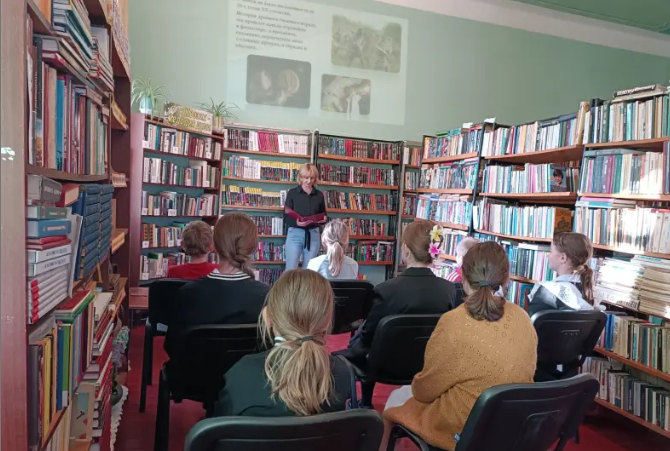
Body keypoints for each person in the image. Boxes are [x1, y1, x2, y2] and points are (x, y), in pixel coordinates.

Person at [381, 242, 538, 451]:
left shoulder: (453, 321)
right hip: (512, 426)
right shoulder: (523, 317)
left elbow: (425, 391)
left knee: (394, 400)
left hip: (463, 429)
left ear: (463, 275)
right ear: (506, 278)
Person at [335, 220, 458, 406]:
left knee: (350, 347)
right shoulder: (449, 290)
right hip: (428, 365)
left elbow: (368, 338)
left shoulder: (386, 290)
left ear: (406, 249)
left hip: (382, 366)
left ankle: (364, 402)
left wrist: (350, 349)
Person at [214, 269, 352, 416]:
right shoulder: (343, 373)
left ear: (268, 317)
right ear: (327, 321)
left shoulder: (241, 374)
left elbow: (218, 426)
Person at [164, 213, 269, 357]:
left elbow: (171, 346)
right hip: (246, 371)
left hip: (195, 370)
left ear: (214, 245)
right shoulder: (267, 296)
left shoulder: (188, 293)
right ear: (254, 247)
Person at [527, 232, 594, 316]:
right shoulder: (589, 291)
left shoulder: (547, 292)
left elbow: (529, 323)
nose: (548, 256)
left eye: (551, 251)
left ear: (563, 258)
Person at [284, 164, 327, 270]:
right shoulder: (292, 193)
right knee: (291, 269)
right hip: (295, 234)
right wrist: (297, 223)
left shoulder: (319, 195)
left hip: (313, 235)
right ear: (300, 177)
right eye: (306, 178)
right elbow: (286, 217)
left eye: (312, 178)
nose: (309, 181)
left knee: (309, 270)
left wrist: (323, 220)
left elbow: (323, 214)